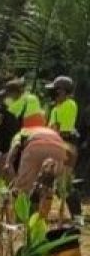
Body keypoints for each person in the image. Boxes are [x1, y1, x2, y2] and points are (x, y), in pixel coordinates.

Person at [46, 75, 81, 219]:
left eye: (56, 91)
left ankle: (77, 216)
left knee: (64, 185)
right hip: (54, 144)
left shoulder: (70, 104)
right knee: (48, 182)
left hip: (65, 144)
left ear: (63, 91)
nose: (54, 94)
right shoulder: (55, 109)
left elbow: (61, 129)